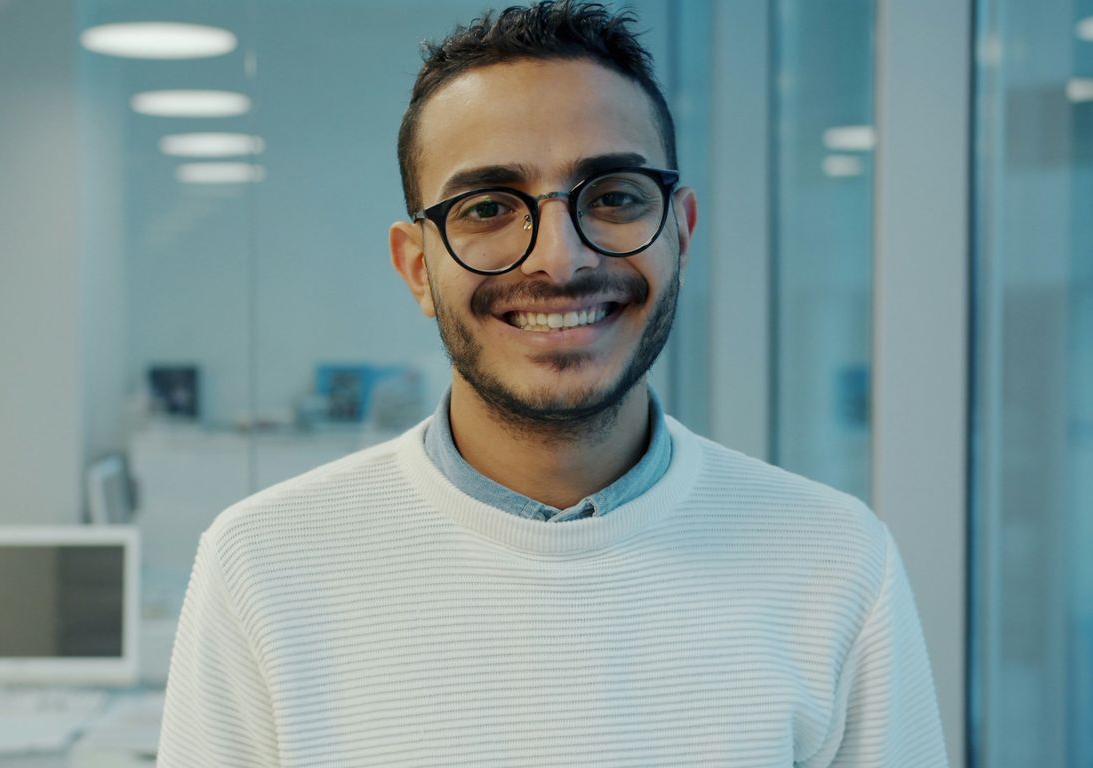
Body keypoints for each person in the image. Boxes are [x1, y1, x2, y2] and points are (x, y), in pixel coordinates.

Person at [157, 2, 948, 765]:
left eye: (613, 197)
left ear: (680, 231)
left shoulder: (835, 560)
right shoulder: (263, 563)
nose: (559, 260)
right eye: (490, 206)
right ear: (416, 268)